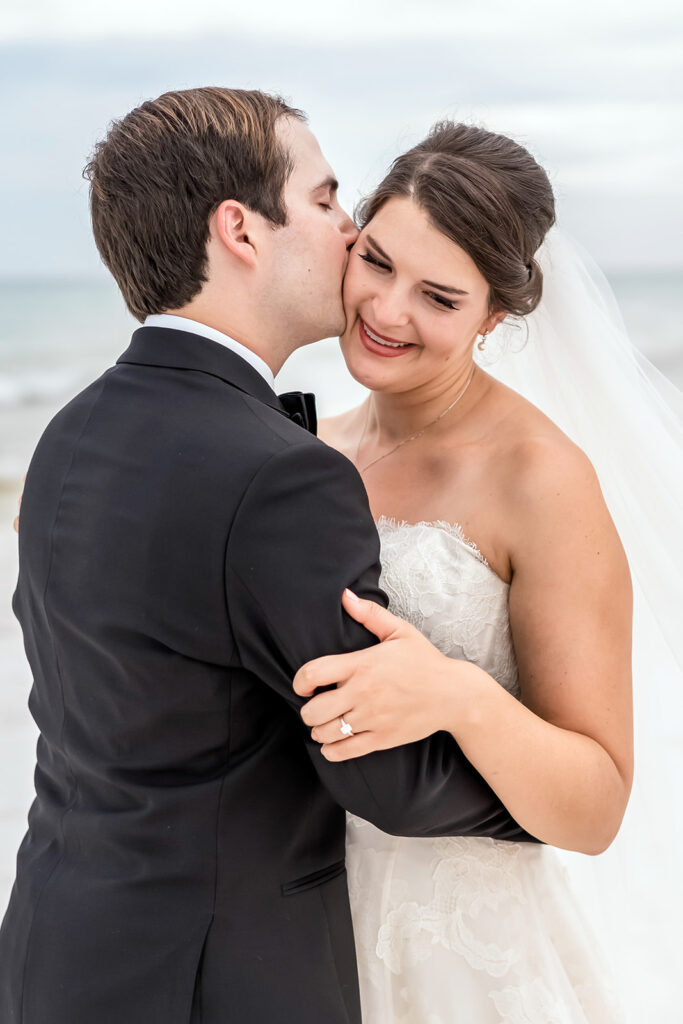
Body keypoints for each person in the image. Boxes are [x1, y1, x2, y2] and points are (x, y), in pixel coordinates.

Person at [0, 90, 539, 1024]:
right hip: (219, 979)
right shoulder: (283, 477)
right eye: (327, 200)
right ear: (241, 229)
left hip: (55, 947)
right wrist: (533, 812)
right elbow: (376, 773)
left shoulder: (68, 433)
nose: (349, 233)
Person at [296, 123, 638, 1022]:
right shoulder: (313, 450)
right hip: (303, 930)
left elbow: (595, 808)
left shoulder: (539, 478)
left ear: (494, 316)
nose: (386, 310)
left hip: (461, 957)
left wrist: (455, 696)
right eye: (376, 262)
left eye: (439, 298)